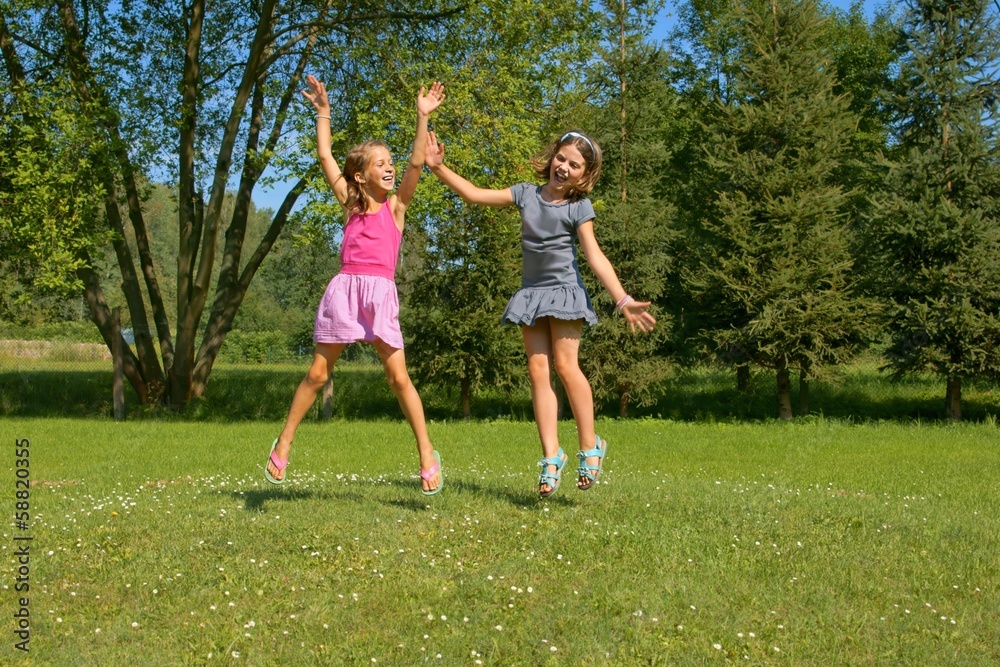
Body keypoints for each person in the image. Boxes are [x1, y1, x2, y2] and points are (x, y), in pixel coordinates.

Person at [424, 128, 656, 497]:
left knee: (565, 367)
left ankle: (591, 445)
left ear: (585, 175)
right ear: (552, 158)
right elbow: (474, 194)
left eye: (574, 164)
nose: (564, 167)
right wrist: (438, 168)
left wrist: (622, 300)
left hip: (565, 293)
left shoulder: (579, 208)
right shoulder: (525, 194)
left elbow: (594, 256)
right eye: (561, 158)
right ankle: (552, 455)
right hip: (532, 295)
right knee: (537, 370)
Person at [264, 75, 445, 495]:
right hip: (345, 292)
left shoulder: (396, 207)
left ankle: (426, 454)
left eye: (390, 162)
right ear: (360, 177)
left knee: (399, 379)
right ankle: (284, 442)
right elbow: (325, 153)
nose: (390, 167)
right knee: (316, 373)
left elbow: (417, 163)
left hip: (381, 294)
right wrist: (323, 112)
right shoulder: (350, 202)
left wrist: (422, 117)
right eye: (379, 163)